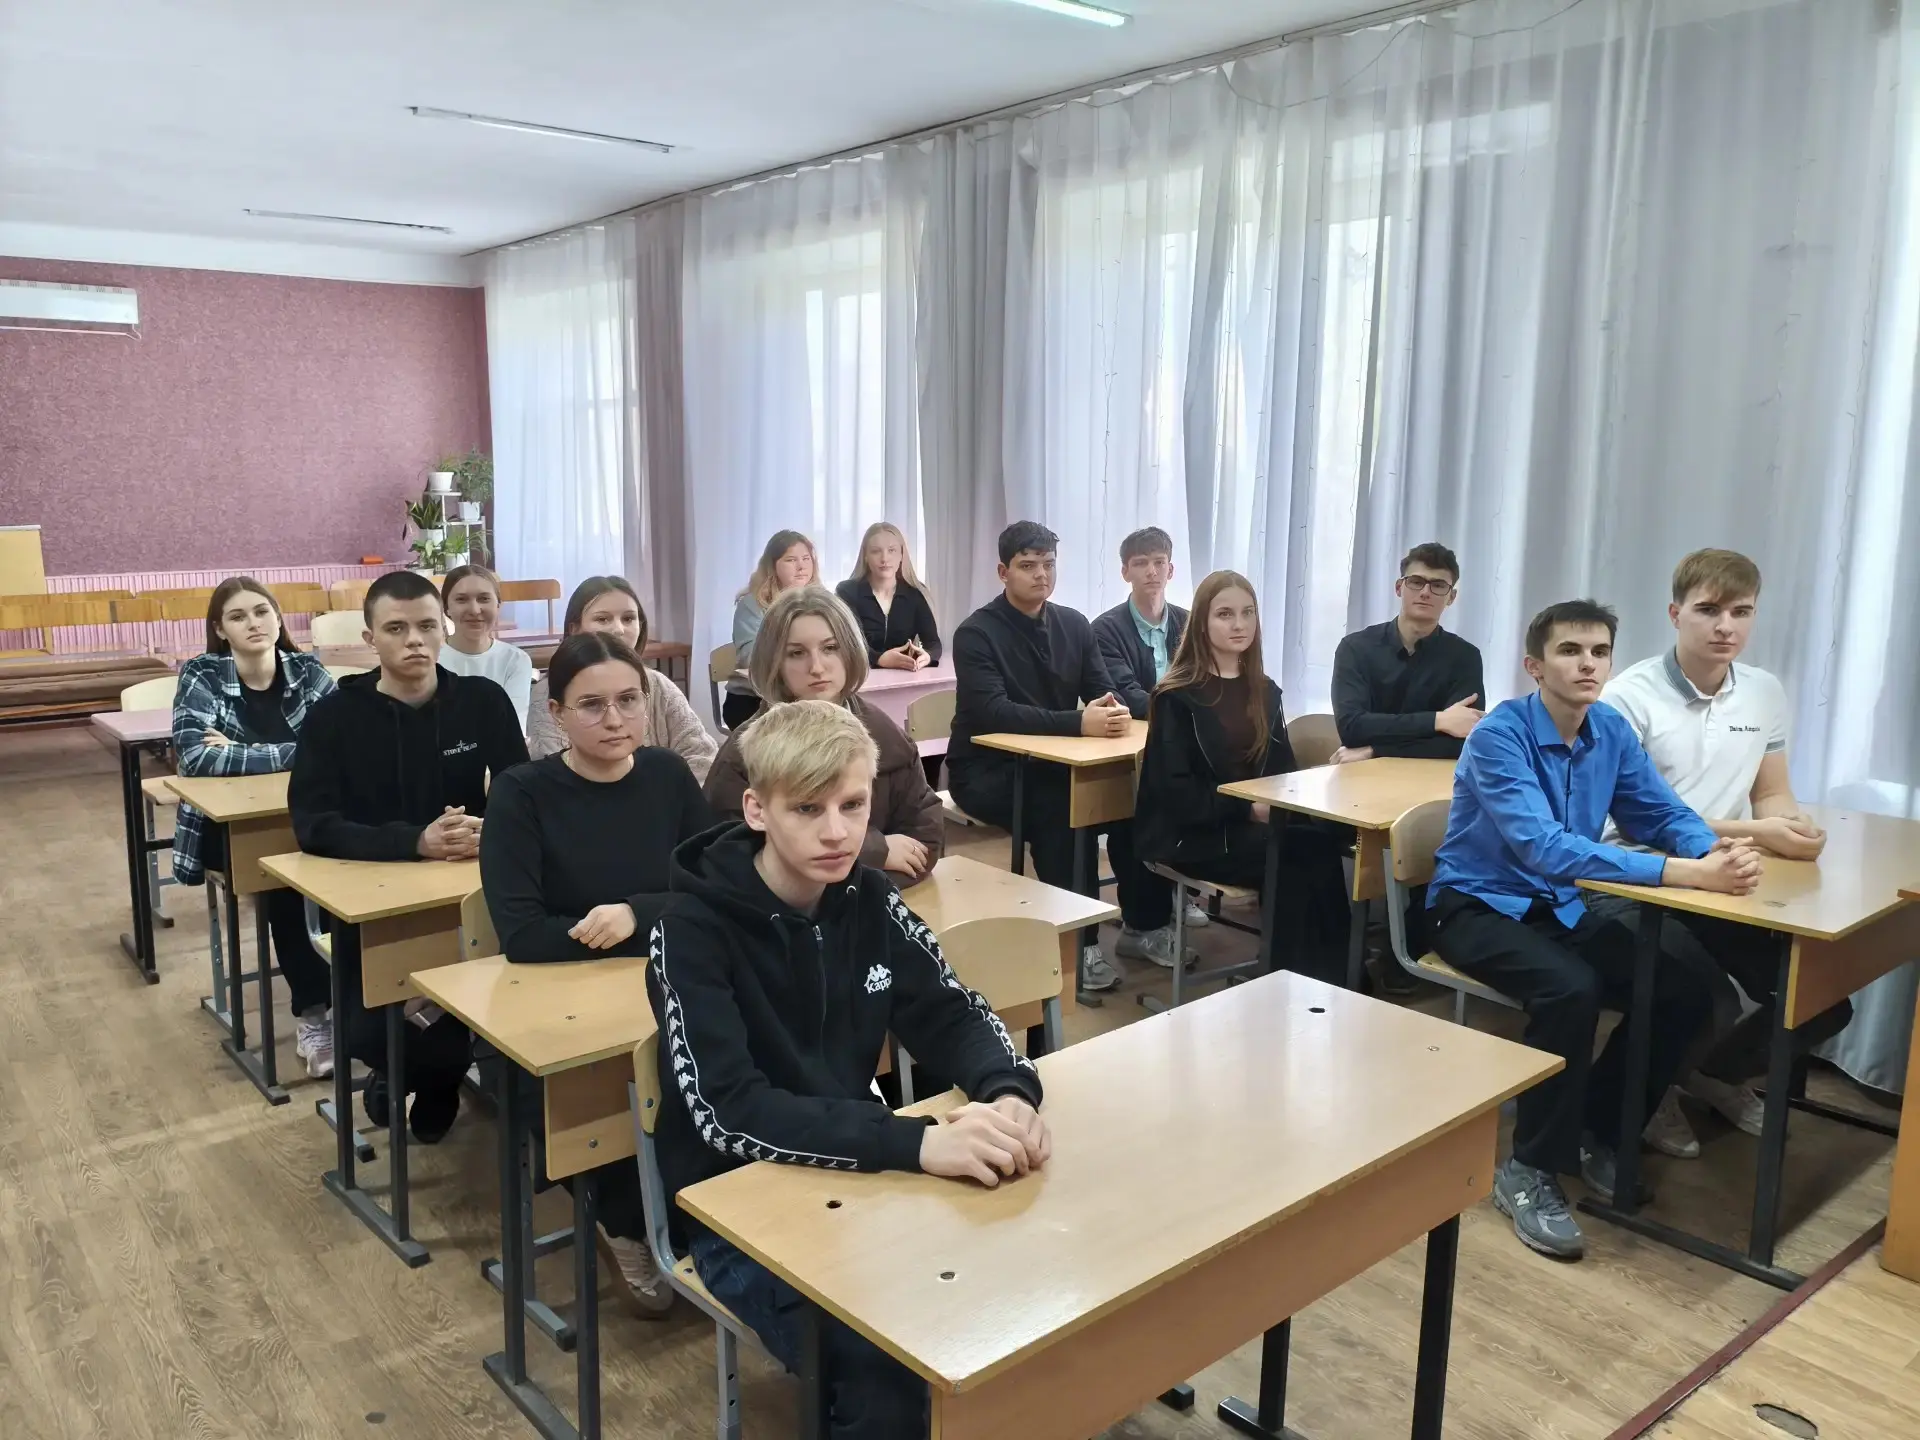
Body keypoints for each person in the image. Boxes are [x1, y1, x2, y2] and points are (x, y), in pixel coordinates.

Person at [648, 699, 1048, 1440]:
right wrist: (916, 1142)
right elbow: (729, 1111)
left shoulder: (868, 896)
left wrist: (1008, 1090)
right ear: (757, 810)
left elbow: (949, 1010)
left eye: (853, 805)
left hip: (859, 1175)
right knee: (889, 1372)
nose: (836, 832)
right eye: (807, 809)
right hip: (734, 1209)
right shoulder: (690, 930)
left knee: (1022, 1302)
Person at [1427, 599, 1758, 1262]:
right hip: (1473, 906)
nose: (1588, 664)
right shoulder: (1499, 736)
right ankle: (1526, 1168)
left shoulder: (1608, 729)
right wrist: (1684, 873)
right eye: (1570, 651)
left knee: (1682, 994)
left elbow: (1660, 812)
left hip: (1557, 906)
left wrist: (1712, 852)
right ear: (1534, 666)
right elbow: (1543, 847)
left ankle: (1595, 1130)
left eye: (1599, 652)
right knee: (1570, 990)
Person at [481, 631, 714, 1316]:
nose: (614, 719)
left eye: (628, 700)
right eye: (591, 705)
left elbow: (714, 887)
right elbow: (522, 934)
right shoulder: (523, 793)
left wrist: (637, 913)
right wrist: (643, 926)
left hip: (664, 975)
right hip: (555, 999)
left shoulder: (668, 775)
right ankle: (626, 1226)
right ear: (557, 714)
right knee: (601, 1100)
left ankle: (702, 1215)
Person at [1597, 549, 1848, 1157]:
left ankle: (1702, 1074)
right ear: (1675, 614)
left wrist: (1790, 823)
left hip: (1724, 872)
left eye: (1741, 612)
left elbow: (1771, 791)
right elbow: (1627, 817)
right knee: (1705, 997)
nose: (1725, 626)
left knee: (1822, 1000)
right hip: (1639, 874)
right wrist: (1758, 834)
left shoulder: (1763, 691)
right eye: (1708, 610)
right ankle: (1647, 1096)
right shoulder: (1626, 698)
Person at [288, 569, 529, 1142]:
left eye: (426, 625)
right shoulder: (333, 718)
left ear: (443, 630)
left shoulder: (482, 701)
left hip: (467, 892)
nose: (414, 640)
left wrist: (490, 829)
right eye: (396, 628)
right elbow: (313, 825)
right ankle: (412, 1071)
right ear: (369, 639)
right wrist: (414, 842)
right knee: (368, 1034)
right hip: (371, 902)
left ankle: (439, 1074)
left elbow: (522, 791)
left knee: (475, 1017)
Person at [946, 521, 1180, 991]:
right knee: (1063, 812)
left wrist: (1112, 711)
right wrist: (1078, 723)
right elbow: (992, 712)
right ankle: (1077, 946)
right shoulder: (976, 633)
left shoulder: (1073, 624)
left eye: (1048, 565)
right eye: (1028, 566)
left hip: (1056, 761)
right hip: (987, 770)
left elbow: (1102, 689)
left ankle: (1144, 926)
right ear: (1003, 572)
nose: (1041, 575)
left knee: (1136, 795)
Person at [1134, 571, 1351, 983]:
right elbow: (1176, 794)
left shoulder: (1264, 691)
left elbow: (1283, 772)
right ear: (1202, 623)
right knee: (1294, 858)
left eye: (1248, 613)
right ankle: (1289, 982)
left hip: (1255, 825)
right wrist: (1248, 809)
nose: (1239, 624)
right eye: (1225, 614)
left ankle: (1334, 982)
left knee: (1322, 846)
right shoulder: (1176, 696)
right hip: (1192, 834)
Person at [171, 577, 339, 1077]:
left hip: (310, 816)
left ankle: (362, 997)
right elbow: (195, 757)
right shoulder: (202, 675)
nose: (254, 623)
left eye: (262, 612)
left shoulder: (307, 671)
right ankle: (315, 1017)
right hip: (229, 831)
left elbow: (343, 746)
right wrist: (298, 753)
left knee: (350, 871)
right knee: (287, 884)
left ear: (279, 618)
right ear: (220, 628)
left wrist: (242, 752)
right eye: (238, 616)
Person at [706, 587, 942, 887]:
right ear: (775, 662)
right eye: (796, 653)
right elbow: (734, 856)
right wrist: (873, 850)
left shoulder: (886, 735)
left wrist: (862, 891)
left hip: (878, 901)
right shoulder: (743, 754)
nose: (816, 668)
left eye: (830, 648)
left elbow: (924, 838)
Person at [526, 575, 718, 782]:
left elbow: (701, 755)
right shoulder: (549, 692)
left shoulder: (658, 684)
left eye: (628, 619)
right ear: (574, 629)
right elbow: (554, 773)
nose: (618, 630)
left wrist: (673, 796)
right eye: (603, 619)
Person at [1330, 542, 1485, 763]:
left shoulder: (1465, 657)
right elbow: (1352, 727)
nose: (1425, 592)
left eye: (1438, 585)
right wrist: (1438, 721)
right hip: (1360, 774)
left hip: (1430, 776)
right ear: (1399, 587)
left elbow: (1462, 741)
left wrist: (1375, 750)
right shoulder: (1355, 648)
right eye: (1416, 582)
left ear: (1451, 597)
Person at [1091, 526, 1187, 719]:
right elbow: (1124, 693)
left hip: (1188, 729)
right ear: (1125, 572)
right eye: (1141, 563)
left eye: (1159, 562)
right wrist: (1180, 713)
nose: (1151, 572)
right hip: (1134, 728)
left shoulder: (1190, 623)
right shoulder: (1104, 630)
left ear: (1170, 570)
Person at [727, 530, 817, 730]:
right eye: (791, 560)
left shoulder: (822, 601)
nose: (801, 566)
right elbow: (750, 658)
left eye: (806, 559)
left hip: (804, 694)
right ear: (772, 566)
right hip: (753, 699)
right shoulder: (752, 604)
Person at [438, 563, 536, 732]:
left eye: (484, 599)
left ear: (498, 605)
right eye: (461, 599)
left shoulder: (515, 661)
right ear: (446, 608)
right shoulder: (432, 660)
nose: (475, 610)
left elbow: (512, 726)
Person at [835, 521, 942, 671]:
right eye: (876, 551)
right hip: (859, 675)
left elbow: (933, 644)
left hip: (904, 677)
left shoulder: (915, 593)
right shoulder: (847, 592)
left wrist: (927, 656)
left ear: (901, 555)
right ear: (865, 556)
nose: (884, 558)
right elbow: (847, 642)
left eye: (892, 550)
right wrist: (879, 659)